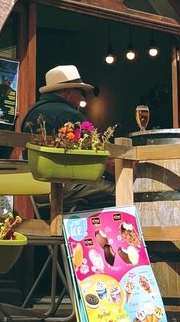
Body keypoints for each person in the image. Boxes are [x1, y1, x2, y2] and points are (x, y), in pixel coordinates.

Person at [21, 65, 115, 214]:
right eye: (81, 93)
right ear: (68, 92)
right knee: (117, 192)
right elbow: (97, 153)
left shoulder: (31, 113)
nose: (83, 99)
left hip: (37, 189)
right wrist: (120, 173)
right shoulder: (71, 115)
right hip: (64, 186)